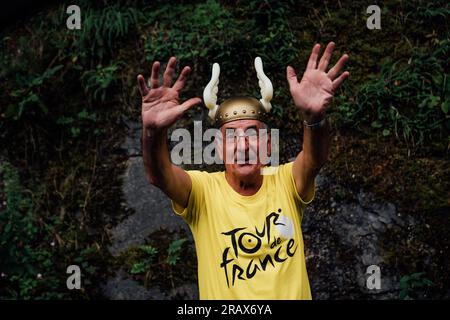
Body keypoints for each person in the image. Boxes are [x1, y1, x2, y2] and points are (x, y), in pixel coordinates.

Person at [136, 42, 349, 299]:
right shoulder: (203, 192)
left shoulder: (286, 182)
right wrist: (153, 133)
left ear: (268, 144)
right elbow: (158, 175)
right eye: (231, 137)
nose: (244, 144)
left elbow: (314, 159)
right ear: (218, 147)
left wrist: (314, 118)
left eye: (253, 134)